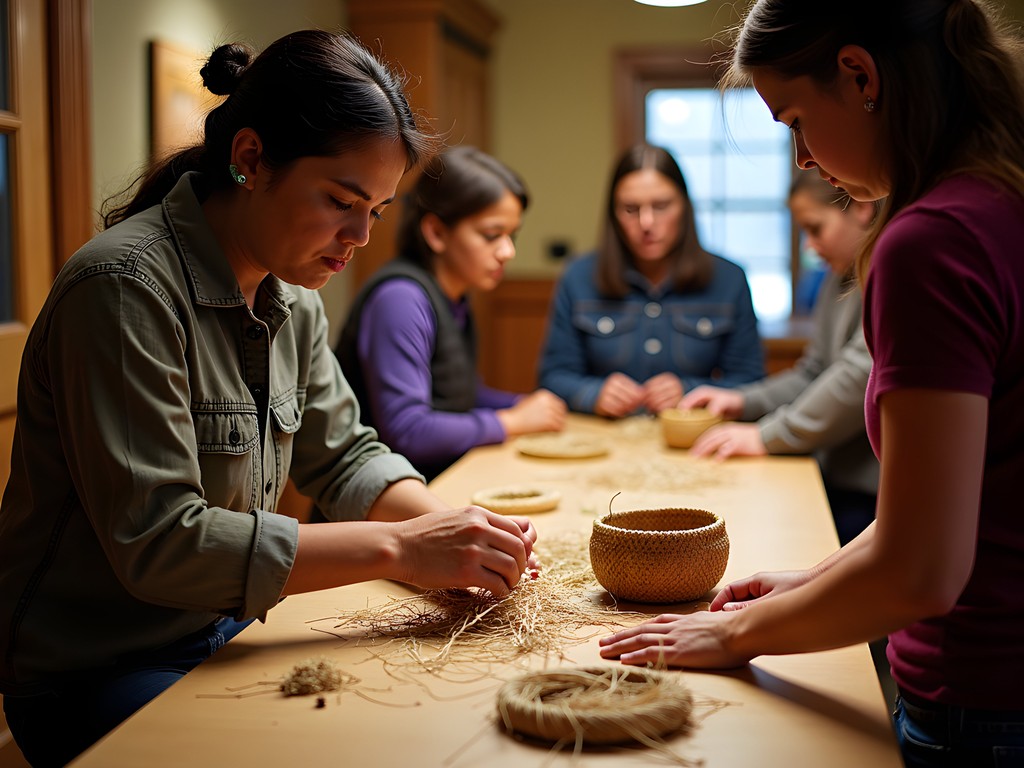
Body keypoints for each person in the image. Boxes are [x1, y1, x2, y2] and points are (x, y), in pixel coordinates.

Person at [0, 32, 539, 767]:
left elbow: (347, 456)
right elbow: (160, 542)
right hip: (97, 671)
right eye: (342, 201)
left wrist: (459, 535)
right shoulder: (124, 288)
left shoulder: (291, 295)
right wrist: (406, 549)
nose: (359, 237)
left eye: (377, 211)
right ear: (251, 159)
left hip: (222, 634)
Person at [599, 2, 1024, 765]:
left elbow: (922, 570)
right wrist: (816, 577)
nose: (799, 156)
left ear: (860, 76)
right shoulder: (1001, 200)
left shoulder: (932, 241)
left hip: (986, 700)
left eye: (794, 119)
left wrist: (731, 634)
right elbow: (954, 507)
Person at [334, 146, 567, 481]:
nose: (508, 251)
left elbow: (459, 395)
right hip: (375, 516)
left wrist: (523, 404)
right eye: (492, 235)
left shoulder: (453, 296)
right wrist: (512, 421)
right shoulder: (400, 299)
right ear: (436, 232)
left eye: (512, 235)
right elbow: (408, 429)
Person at [680, 170, 878, 545]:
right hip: (834, 478)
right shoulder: (838, 279)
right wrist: (742, 401)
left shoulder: (885, 274)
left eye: (816, 228)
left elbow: (858, 377)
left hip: (869, 497)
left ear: (863, 208)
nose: (810, 245)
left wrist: (766, 436)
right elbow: (814, 373)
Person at [537, 143, 765, 418]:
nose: (646, 222)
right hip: (603, 440)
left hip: (692, 440)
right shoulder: (578, 277)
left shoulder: (729, 279)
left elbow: (750, 383)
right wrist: (593, 394)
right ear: (613, 215)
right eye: (631, 209)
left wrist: (690, 391)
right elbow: (553, 378)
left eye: (661, 206)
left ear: (685, 207)